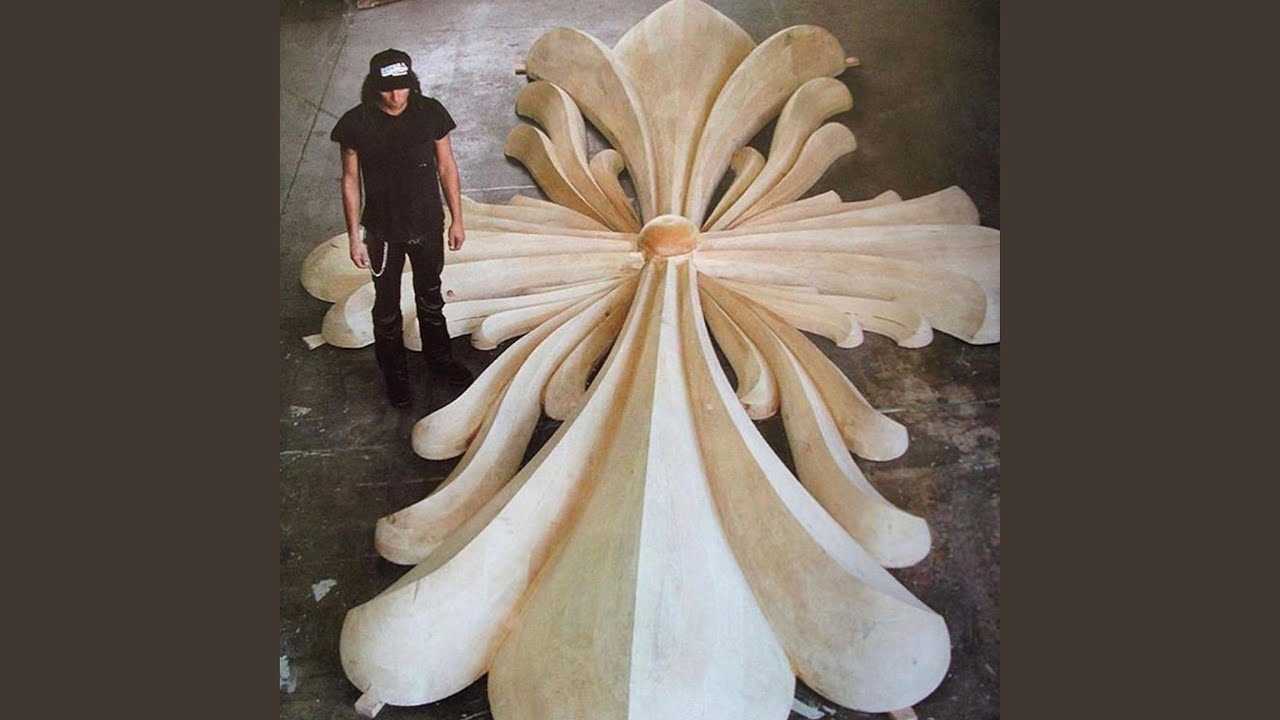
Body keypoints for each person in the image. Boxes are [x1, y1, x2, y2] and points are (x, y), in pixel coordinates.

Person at [330, 49, 473, 408]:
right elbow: (350, 180)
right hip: (382, 231)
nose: (396, 97)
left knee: (431, 297)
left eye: (402, 87)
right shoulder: (355, 124)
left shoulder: (430, 113)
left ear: (412, 83)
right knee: (387, 309)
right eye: (387, 89)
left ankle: (440, 363)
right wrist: (354, 236)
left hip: (427, 224)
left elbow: (446, 166)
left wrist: (457, 219)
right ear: (373, 87)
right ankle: (396, 378)